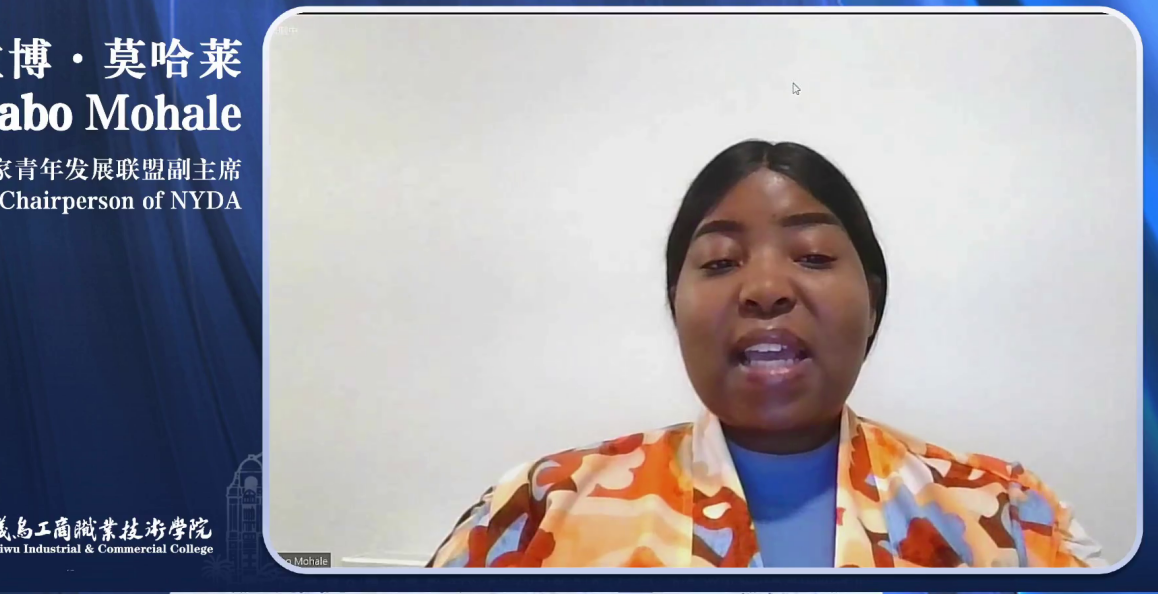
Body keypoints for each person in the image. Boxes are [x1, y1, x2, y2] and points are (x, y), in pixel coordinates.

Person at [427, 140, 1106, 569]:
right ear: (675, 304)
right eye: (720, 262)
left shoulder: (1011, 516)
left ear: (871, 300)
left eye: (812, 256)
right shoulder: (539, 508)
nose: (765, 289)